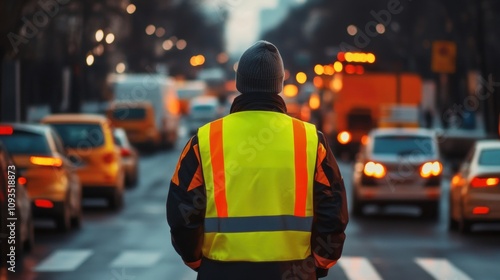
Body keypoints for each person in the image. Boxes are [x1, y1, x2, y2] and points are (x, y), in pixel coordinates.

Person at [167, 40, 348, 280]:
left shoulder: (205, 140)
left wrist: (199, 261)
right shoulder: (311, 141)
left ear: (241, 82)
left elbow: (182, 214)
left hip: (222, 272)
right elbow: (333, 211)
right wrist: (318, 264)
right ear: (280, 83)